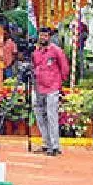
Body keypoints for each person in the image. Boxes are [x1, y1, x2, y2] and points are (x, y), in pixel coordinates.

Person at [32, 28, 69, 156]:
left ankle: (55, 146)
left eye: (45, 35)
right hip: (38, 88)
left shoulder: (56, 50)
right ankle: (46, 144)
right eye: (41, 35)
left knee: (52, 116)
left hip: (52, 87)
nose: (43, 38)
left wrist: (59, 84)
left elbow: (64, 68)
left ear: (49, 37)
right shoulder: (36, 51)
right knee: (40, 116)